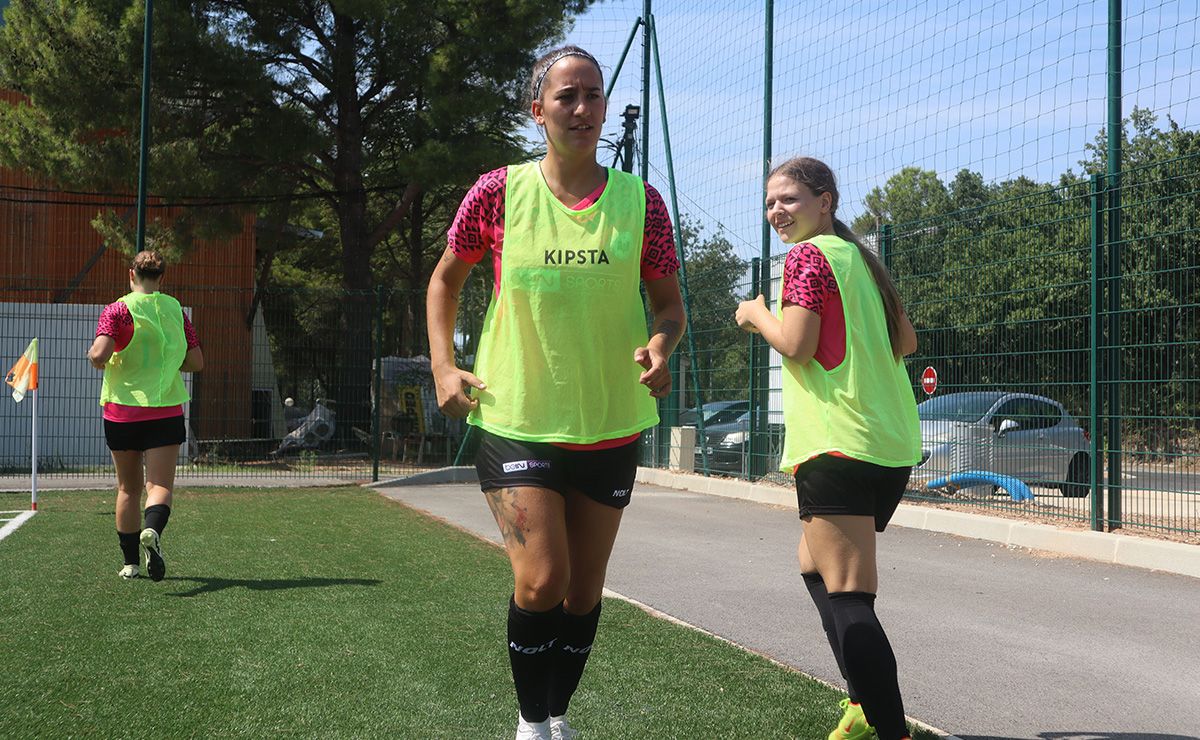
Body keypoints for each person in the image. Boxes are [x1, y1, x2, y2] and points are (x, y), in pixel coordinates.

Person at [426, 45, 685, 740]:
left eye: (593, 96)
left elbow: (669, 306)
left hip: (609, 423)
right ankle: (530, 723)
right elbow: (444, 281)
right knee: (542, 579)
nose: (582, 109)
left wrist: (660, 349)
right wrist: (444, 368)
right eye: (566, 96)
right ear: (535, 109)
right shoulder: (497, 191)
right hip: (516, 417)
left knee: (583, 592)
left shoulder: (641, 203)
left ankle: (556, 715)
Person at [735, 156, 920, 740]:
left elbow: (795, 343)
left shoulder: (808, 257)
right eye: (769, 203)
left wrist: (755, 313)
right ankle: (863, 703)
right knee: (813, 565)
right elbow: (907, 340)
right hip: (887, 446)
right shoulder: (860, 261)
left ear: (825, 202)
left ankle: (886, 726)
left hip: (838, 447)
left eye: (788, 199)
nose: (776, 212)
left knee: (849, 595)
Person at [88, 250, 204, 582]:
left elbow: (99, 353)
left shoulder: (118, 310)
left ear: (131, 274)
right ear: (161, 278)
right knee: (159, 486)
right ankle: (151, 531)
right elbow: (196, 361)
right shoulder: (176, 311)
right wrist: (163, 364)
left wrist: (96, 358)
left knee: (128, 488)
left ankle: (130, 564)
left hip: (121, 412)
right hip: (165, 410)